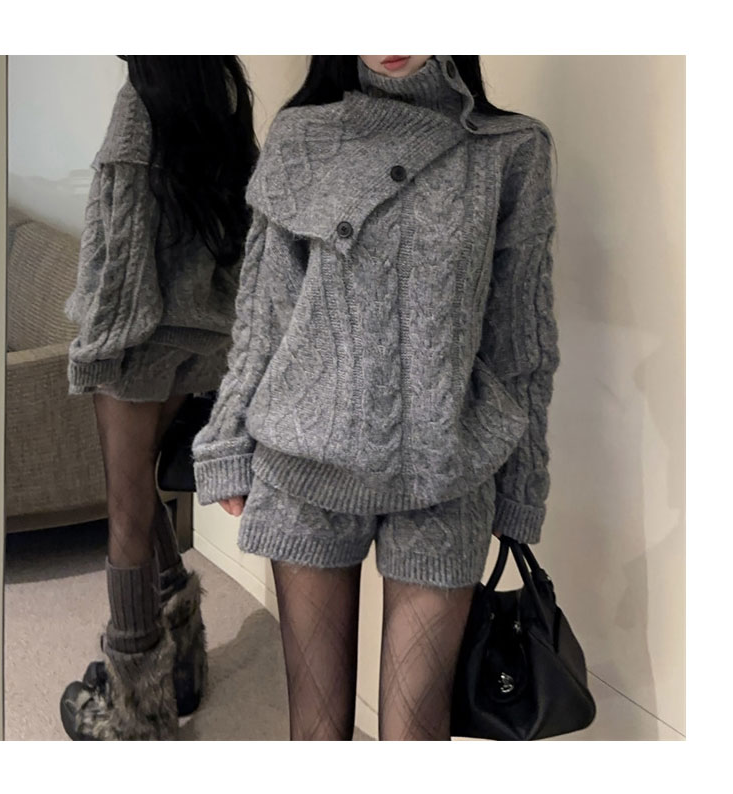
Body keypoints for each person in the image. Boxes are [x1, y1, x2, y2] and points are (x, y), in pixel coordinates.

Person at [192, 55, 560, 740]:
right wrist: (226, 440)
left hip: (447, 472)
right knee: (317, 731)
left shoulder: (511, 151)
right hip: (304, 465)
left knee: (414, 735)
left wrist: (523, 487)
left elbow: (521, 342)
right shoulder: (302, 135)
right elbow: (265, 314)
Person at [59, 55, 259, 741]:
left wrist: (96, 349)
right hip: (197, 339)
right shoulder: (219, 83)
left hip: (137, 342)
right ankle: (180, 661)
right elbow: (241, 228)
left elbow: (120, 258)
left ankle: (138, 713)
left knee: (124, 514)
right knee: (141, 492)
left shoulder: (138, 103)